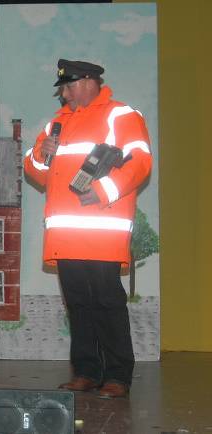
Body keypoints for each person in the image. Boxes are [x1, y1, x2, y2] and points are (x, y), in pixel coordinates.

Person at [23, 59, 152, 399]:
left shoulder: (120, 115)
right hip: (65, 236)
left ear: (90, 81)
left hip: (102, 233)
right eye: (62, 89)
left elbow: (140, 162)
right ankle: (85, 372)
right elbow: (36, 172)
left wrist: (102, 191)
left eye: (68, 86)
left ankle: (118, 376)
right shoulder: (56, 123)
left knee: (107, 303)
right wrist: (41, 154)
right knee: (78, 304)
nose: (64, 95)